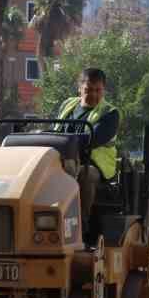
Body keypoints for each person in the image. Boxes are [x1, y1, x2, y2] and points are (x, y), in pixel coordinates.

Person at [53, 67, 121, 228]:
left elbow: (92, 139)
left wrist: (62, 143)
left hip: (95, 165)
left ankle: (80, 225)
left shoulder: (110, 113)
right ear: (79, 88)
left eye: (98, 90)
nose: (94, 95)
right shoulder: (67, 105)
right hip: (63, 159)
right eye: (88, 90)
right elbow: (55, 130)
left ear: (104, 89)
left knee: (85, 174)